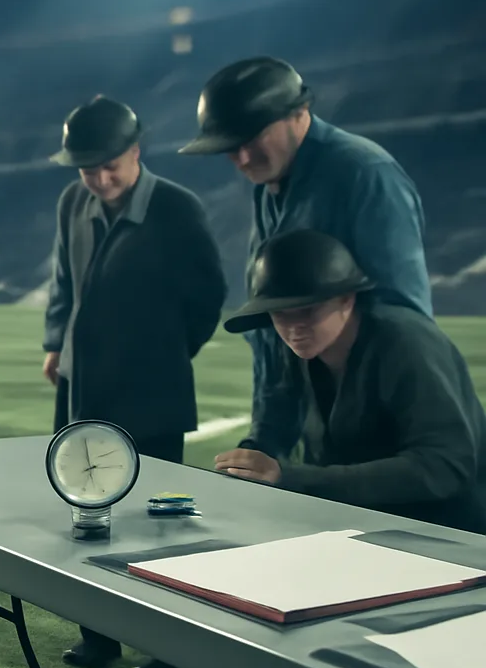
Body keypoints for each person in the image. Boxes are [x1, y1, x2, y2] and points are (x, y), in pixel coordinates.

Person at [212, 229, 486, 668]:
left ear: (348, 301)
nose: (291, 326)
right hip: (373, 528)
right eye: (280, 313)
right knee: (294, 600)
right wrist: (256, 458)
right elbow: (286, 428)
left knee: (366, 652)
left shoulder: (405, 343)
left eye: (305, 310)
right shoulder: (304, 349)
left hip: (452, 539)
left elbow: (447, 467)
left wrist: (298, 479)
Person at [43, 94, 227, 668]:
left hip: (151, 393)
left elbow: (207, 297)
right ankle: (97, 636)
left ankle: (169, 651)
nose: (98, 179)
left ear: (136, 152)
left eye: (109, 166)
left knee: (156, 523)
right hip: (81, 388)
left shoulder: (177, 209)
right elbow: (62, 280)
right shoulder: (73, 201)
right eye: (86, 168)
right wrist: (56, 341)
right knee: (86, 515)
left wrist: (167, 355)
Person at [178, 56, 433, 463]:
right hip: (322, 430)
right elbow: (269, 329)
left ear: (300, 113)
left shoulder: (365, 174)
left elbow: (404, 320)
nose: (242, 159)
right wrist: (265, 439)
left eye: (252, 139)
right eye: (230, 147)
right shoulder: (270, 182)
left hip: (377, 437)